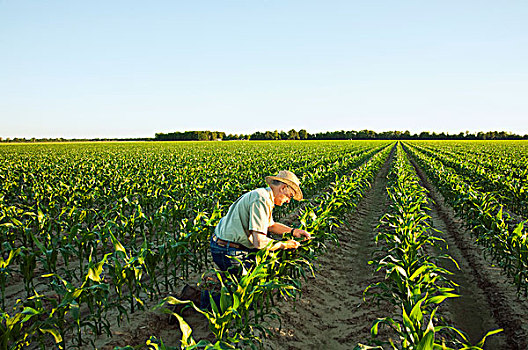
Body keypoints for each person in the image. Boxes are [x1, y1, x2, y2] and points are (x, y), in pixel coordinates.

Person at [209, 170, 312, 276]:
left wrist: (294, 231)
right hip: (227, 250)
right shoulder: (261, 199)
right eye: (289, 196)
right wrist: (284, 245)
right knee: (245, 287)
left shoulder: (265, 196)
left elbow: (270, 225)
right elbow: (259, 242)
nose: (288, 201)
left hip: (226, 245)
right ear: (283, 188)